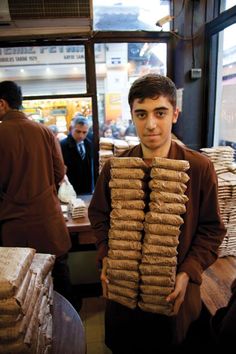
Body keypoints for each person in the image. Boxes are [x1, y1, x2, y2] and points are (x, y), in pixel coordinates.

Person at [88, 73, 226, 354]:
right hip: (124, 298)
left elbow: (212, 230)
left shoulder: (199, 168)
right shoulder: (115, 168)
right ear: (132, 116)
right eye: (141, 114)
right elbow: (99, 217)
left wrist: (188, 272)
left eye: (160, 112)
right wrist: (106, 255)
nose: (150, 124)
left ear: (174, 114)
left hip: (175, 298)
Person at [0, 81, 82, 311]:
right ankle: (72, 322)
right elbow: (59, 173)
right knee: (60, 278)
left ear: (2, 103)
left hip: (15, 229)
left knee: (23, 292)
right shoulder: (45, 132)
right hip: (49, 223)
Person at [60, 115, 93, 195]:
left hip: (88, 190)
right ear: (71, 129)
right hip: (70, 190)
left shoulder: (89, 144)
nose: (81, 135)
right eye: (78, 131)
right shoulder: (62, 145)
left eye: (84, 132)